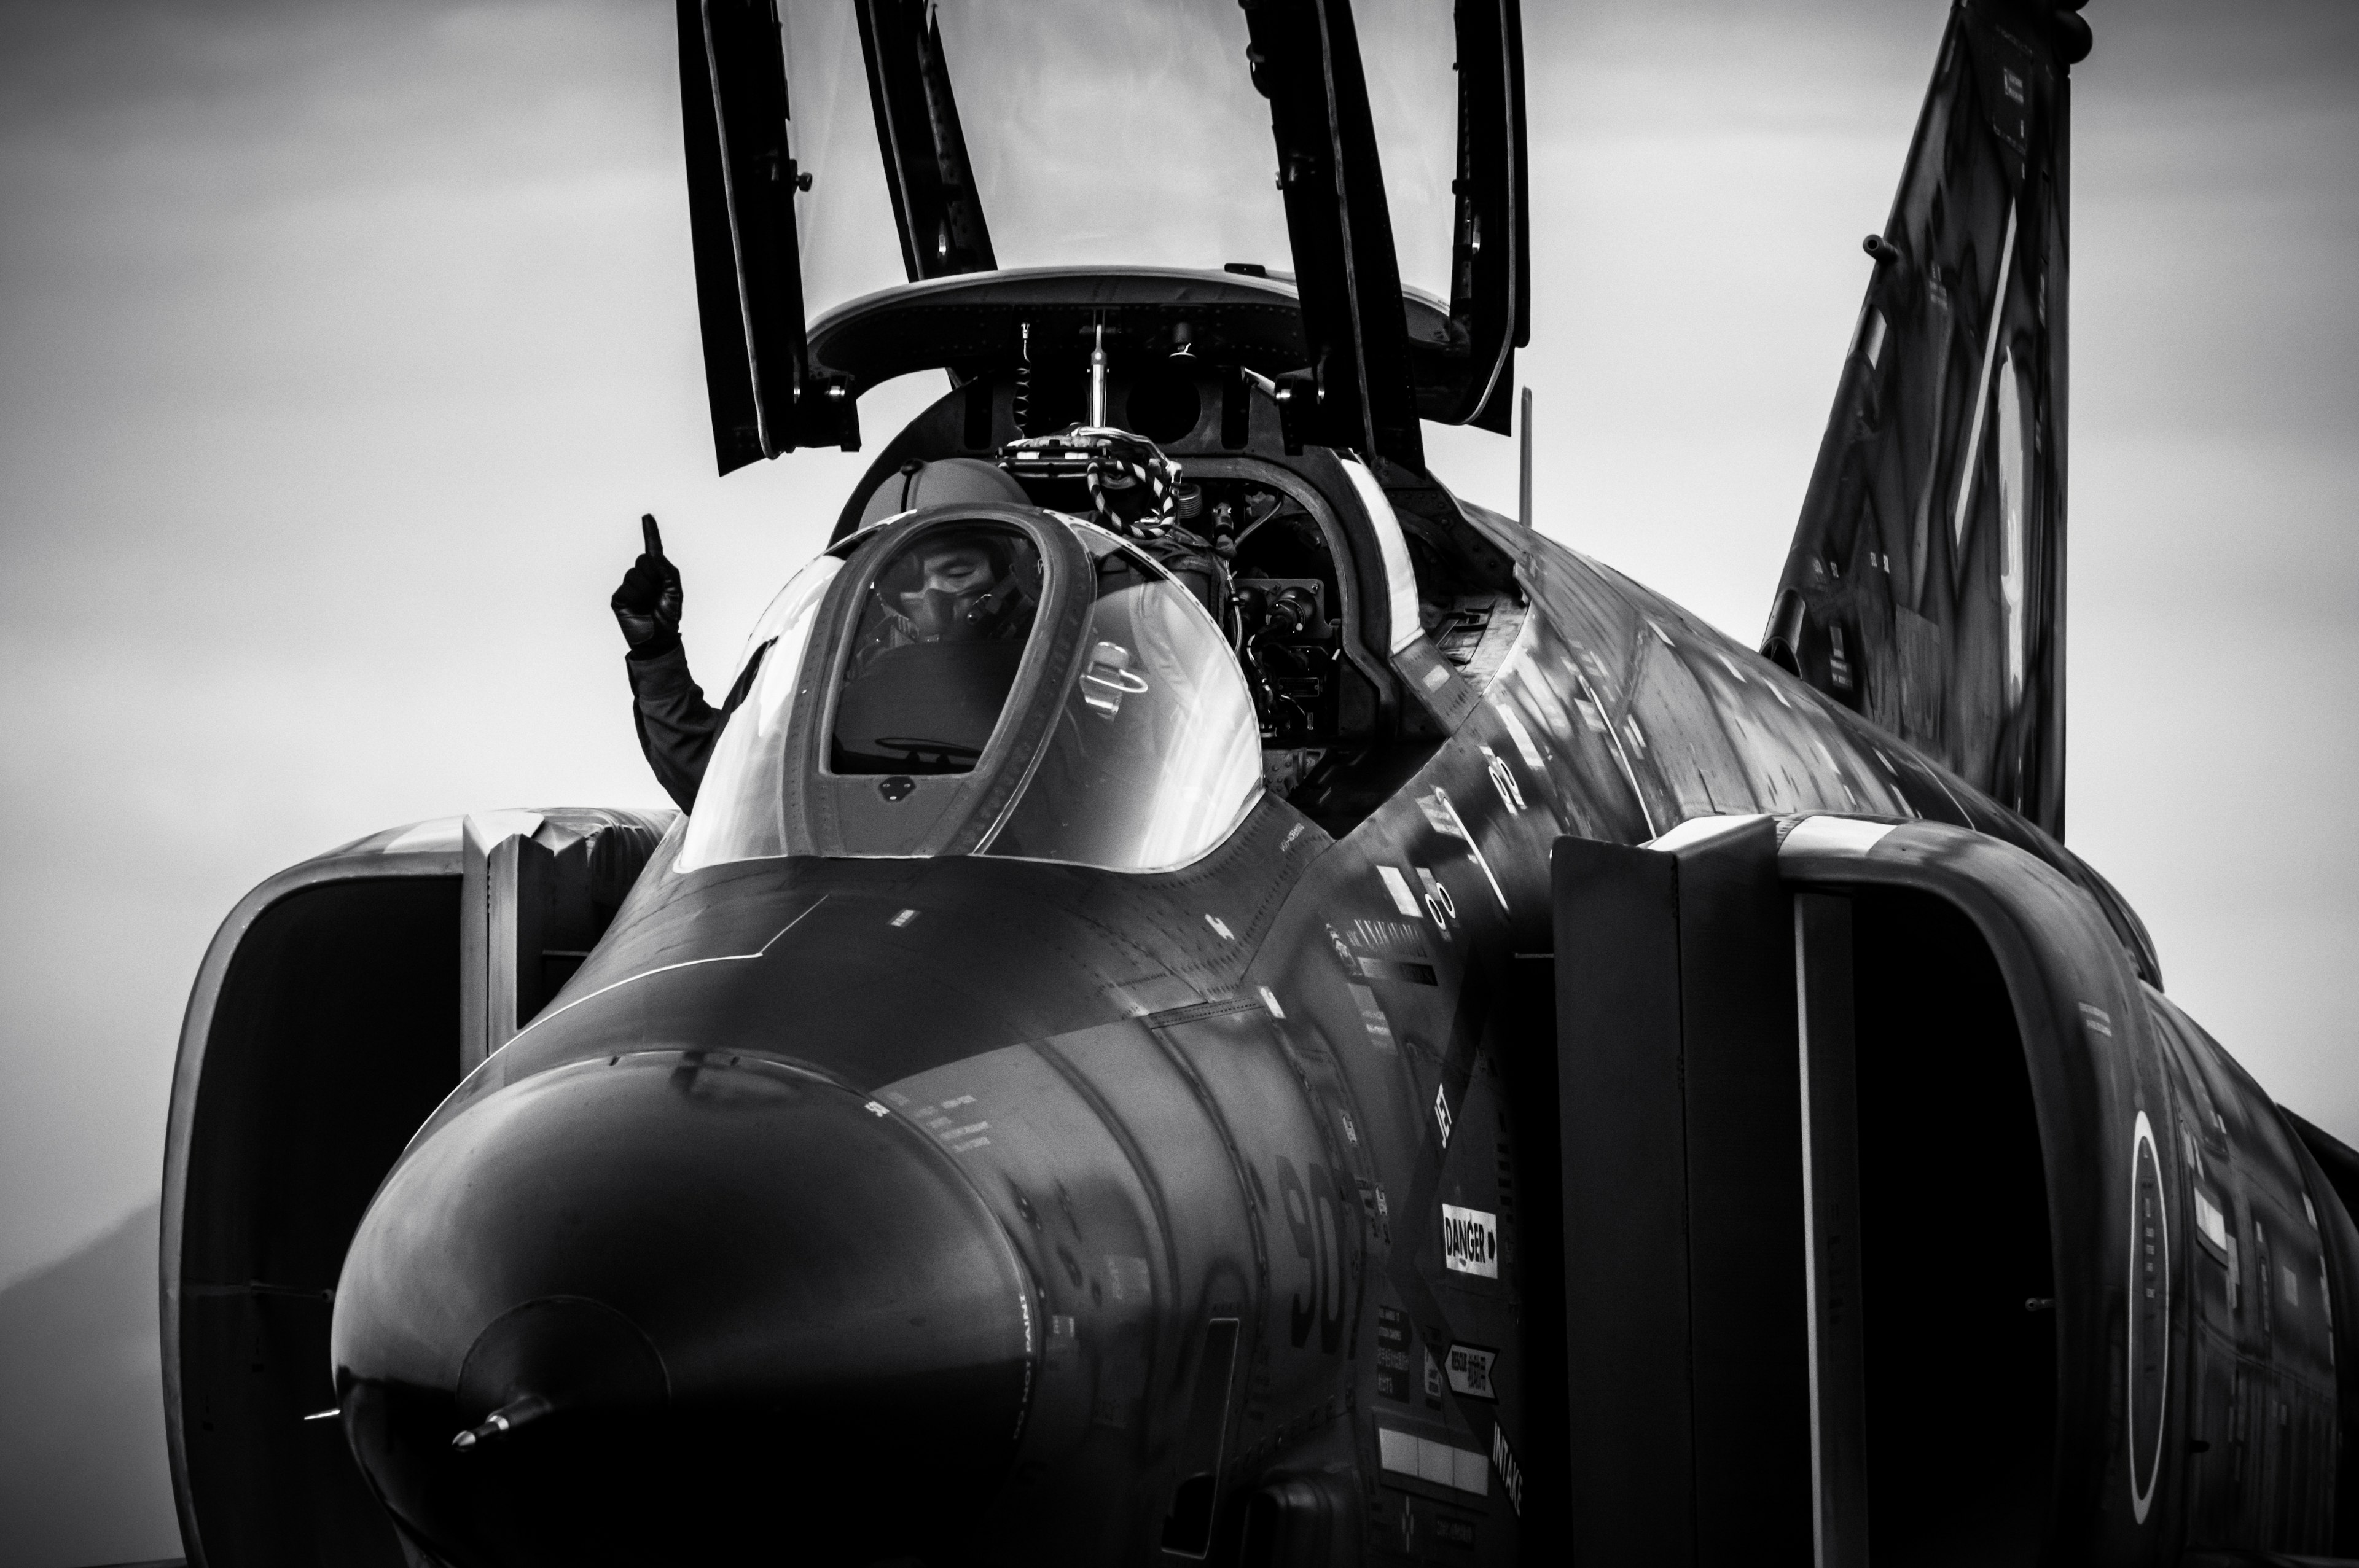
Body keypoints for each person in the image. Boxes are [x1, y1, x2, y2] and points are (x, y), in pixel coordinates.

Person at [612, 459, 1034, 810]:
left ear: (1016, 570)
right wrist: (658, 652)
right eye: (910, 580)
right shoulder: (832, 671)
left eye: (958, 573)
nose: (932, 600)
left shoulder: (1064, 666)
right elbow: (719, 791)